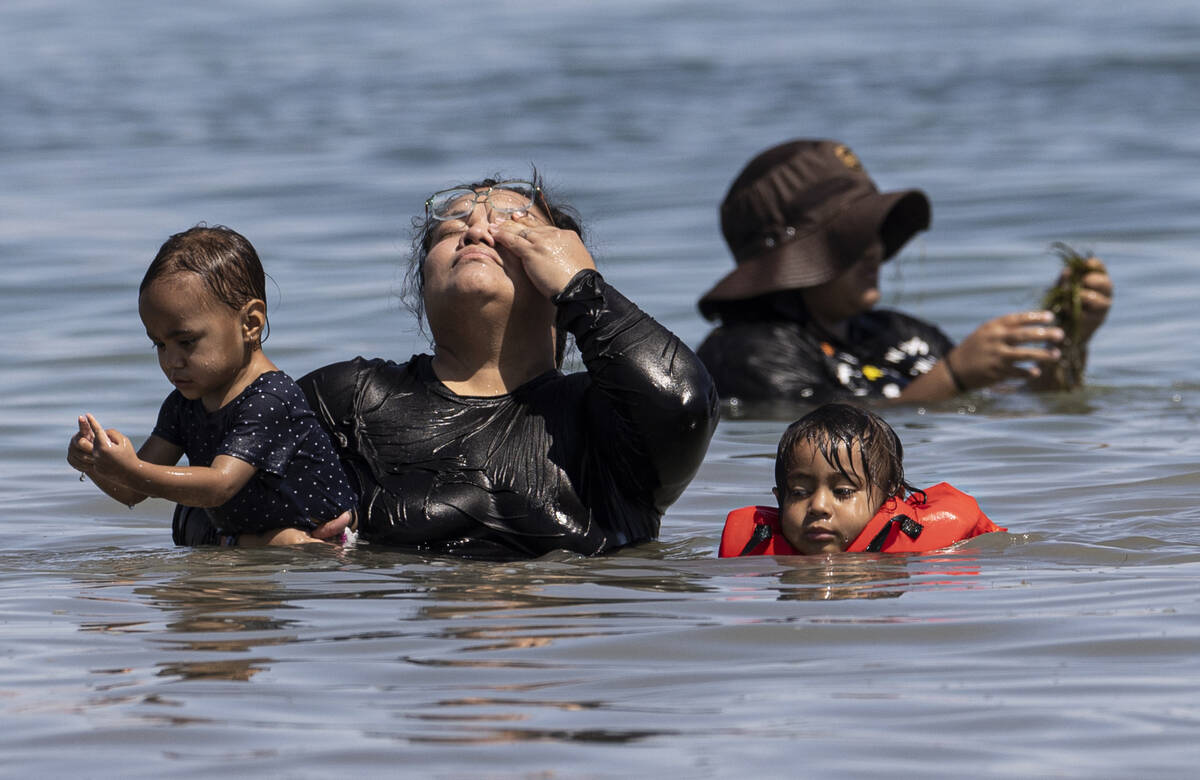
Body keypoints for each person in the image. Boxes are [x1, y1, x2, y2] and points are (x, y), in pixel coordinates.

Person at [295, 173, 718, 559]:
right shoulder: (349, 400)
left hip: (573, 630)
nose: (477, 231)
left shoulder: (607, 417)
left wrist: (584, 289)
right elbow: (235, 480)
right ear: (423, 283)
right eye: (453, 227)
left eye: (514, 227)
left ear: (559, 265)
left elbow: (684, 404)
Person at [697, 139, 1115, 403]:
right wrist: (953, 375)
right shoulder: (745, 352)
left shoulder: (898, 332)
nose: (875, 251)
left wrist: (1072, 337)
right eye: (849, 237)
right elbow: (832, 451)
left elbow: (1016, 403)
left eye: (874, 232)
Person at [67, 225, 357, 547]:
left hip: (320, 534)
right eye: (159, 345)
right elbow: (135, 491)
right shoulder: (182, 404)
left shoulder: (270, 398)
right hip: (241, 537)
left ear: (250, 323)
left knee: (283, 541)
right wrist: (98, 465)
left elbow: (220, 484)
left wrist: (132, 468)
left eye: (186, 341)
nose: (171, 361)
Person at [718, 403, 1003, 557]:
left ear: (890, 499)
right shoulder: (754, 556)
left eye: (842, 491)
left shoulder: (923, 555)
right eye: (799, 492)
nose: (818, 506)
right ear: (779, 499)